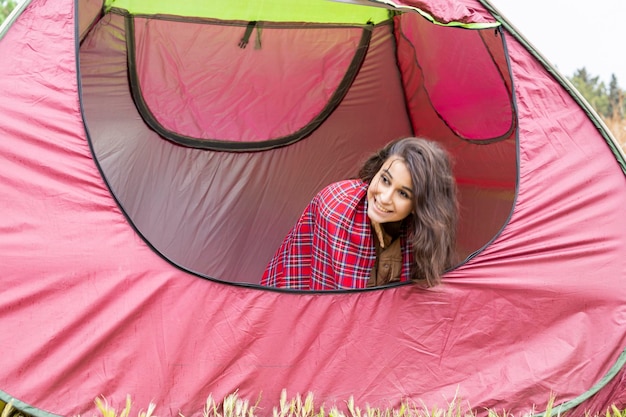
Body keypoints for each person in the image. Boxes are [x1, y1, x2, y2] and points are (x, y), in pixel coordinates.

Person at [260, 137, 458, 290]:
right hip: (298, 315)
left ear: (418, 206)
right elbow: (332, 302)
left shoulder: (418, 231)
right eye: (385, 180)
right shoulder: (337, 209)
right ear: (378, 170)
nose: (385, 197)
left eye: (403, 193)